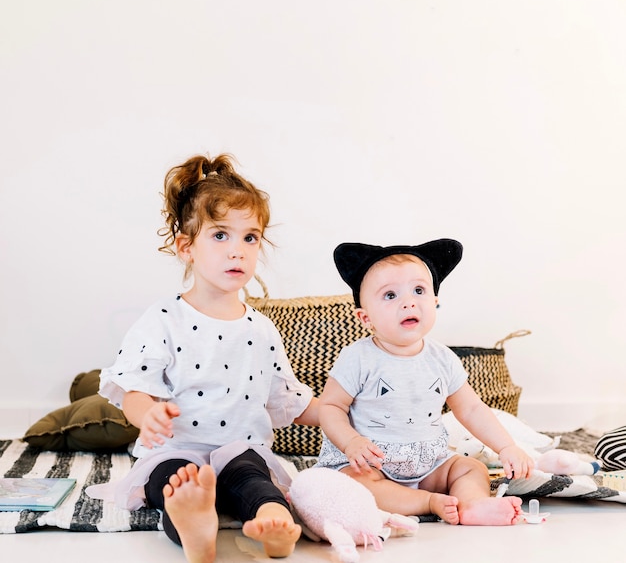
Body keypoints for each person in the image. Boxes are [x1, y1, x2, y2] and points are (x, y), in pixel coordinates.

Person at [88, 153, 318, 563]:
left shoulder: (261, 329)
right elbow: (134, 389)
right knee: (173, 484)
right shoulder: (164, 319)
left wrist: (346, 413)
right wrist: (148, 415)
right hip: (178, 448)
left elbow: (289, 399)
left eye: (250, 238)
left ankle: (274, 523)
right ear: (186, 247)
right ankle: (194, 530)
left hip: (240, 447)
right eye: (220, 235)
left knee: (255, 481)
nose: (238, 251)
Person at [316, 239, 534, 526]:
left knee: (470, 468)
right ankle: (428, 502)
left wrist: (506, 447)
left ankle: (470, 505)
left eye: (419, 290)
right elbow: (329, 407)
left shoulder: (442, 358)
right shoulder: (358, 358)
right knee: (354, 484)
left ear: (434, 301)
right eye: (390, 295)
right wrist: (351, 442)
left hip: (428, 463)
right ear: (365, 317)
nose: (408, 301)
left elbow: (470, 409)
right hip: (372, 463)